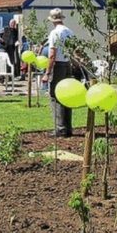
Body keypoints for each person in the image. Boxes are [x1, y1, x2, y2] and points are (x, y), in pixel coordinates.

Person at [41, 8, 74, 137]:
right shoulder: (69, 32)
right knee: (67, 96)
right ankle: (68, 126)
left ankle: (60, 127)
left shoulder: (55, 33)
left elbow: (52, 55)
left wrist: (47, 73)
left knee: (56, 96)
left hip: (58, 65)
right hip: (67, 64)